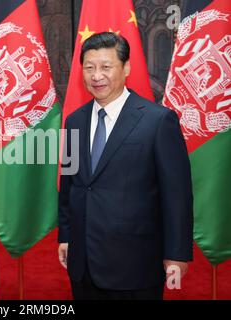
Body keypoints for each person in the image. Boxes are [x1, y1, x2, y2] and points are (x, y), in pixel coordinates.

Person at [58, 32, 193, 300]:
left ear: (126, 68)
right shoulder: (75, 121)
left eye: (106, 67)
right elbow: (70, 186)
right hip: (83, 261)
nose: (97, 76)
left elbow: (177, 195)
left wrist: (177, 254)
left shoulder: (157, 121)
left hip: (135, 263)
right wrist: (66, 235)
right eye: (89, 67)